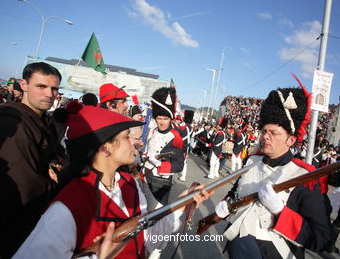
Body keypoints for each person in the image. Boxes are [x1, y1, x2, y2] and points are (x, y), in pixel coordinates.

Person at [13, 103, 211, 259]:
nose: (135, 141)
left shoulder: (129, 183)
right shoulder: (66, 207)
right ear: (105, 148)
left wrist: (182, 204)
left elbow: (148, 239)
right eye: (126, 136)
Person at [214, 78, 332, 259]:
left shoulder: (305, 177)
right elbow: (235, 192)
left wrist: (280, 212)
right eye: (264, 131)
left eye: (274, 133)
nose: (265, 137)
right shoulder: (252, 161)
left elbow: (321, 239)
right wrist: (227, 203)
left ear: (291, 140)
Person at [0, 62, 67, 258]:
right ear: (24, 85)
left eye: (54, 88)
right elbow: (23, 188)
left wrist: (60, 170)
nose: (50, 94)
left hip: (37, 222)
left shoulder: (45, 120)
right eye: (41, 86)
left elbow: (60, 157)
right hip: (13, 227)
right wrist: (55, 181)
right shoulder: (10, 126)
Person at [144, 87, 185, 206]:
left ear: (170, 119)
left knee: (156, 214)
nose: (161, 122)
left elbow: (179, 165)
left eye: (165, 119)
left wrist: (160, 165)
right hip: (146, 176)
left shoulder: (176, 137)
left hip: (161, 181)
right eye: (159, 118)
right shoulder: (153, 131)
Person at [177, 110, 194, 182]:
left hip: (180, 146)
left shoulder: (183, 127)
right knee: (184, 162)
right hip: (186, 147)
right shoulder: (191, 128)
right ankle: (183, 176)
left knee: (174, 161)